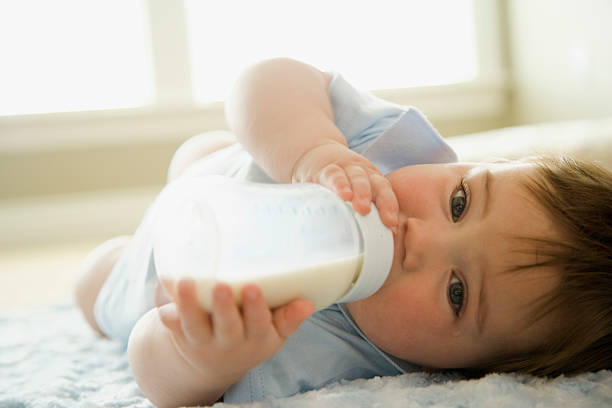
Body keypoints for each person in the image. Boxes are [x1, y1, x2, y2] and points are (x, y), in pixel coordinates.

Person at [74, 58, 612, 408]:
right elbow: (266, 81)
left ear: (458, 370)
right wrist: (312, 149)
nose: (418, 238)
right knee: (211, 148)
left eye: (457, 293)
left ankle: (113, 259)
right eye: (460, 201)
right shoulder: (386, 149)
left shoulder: (322, 362)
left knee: (92, 291)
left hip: (155, 270)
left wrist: (203, 361)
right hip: (223, 179)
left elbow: (151, 361)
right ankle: (197, 166)